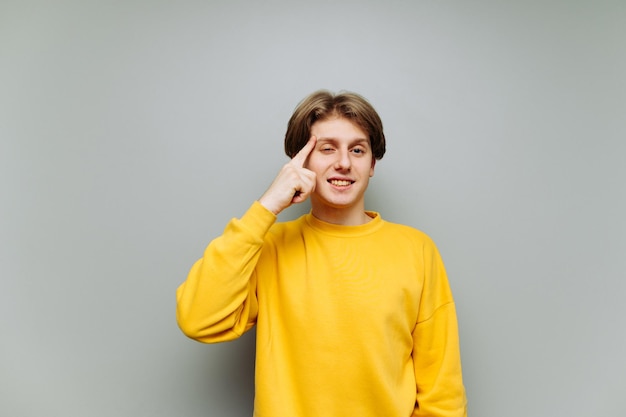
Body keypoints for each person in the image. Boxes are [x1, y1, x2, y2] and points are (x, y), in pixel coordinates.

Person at [176, 90, 467, 417]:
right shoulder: (269, 245)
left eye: (357, 150)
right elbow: (197, 319)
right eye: (327, 149)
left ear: (372, 164)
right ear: (302, 161)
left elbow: (442, 391)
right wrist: (267, 206)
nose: (343, 163)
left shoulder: (417, 250)